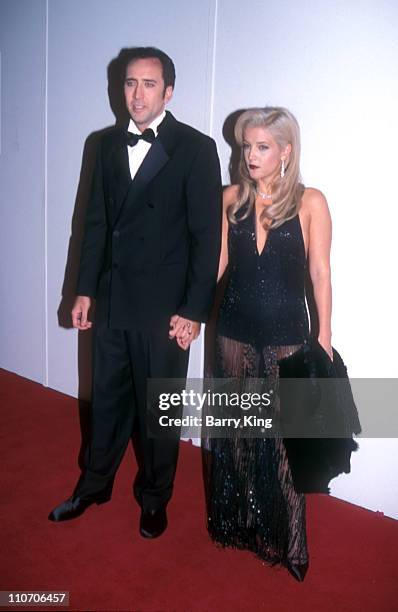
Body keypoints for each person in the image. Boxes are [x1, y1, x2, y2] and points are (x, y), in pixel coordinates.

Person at [49, 47, 222, 538]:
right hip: (111, 296)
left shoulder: (195, 147)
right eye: (129, 83)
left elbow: (206, 237)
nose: (137, 94)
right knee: (105, 399)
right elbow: (95, 224)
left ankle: (154, 497)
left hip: (165, 309)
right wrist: (84, 290)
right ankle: (94, 484)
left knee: (158, 411)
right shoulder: (103, 145)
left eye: (148, 84)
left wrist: (193, 310)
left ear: (168, 91)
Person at [203, 107, 332, 581]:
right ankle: (243, 522)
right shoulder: (230, 199)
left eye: (261, 146)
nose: (250, 155)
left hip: (285, 334)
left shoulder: (310, 202)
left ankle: (292, 543)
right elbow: (215, 267)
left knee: (282, 444)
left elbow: (320, 272)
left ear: (285, 151)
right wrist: (190, 313)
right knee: (238, 433)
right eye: (245, 146)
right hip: (234, 328)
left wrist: (325, 332)